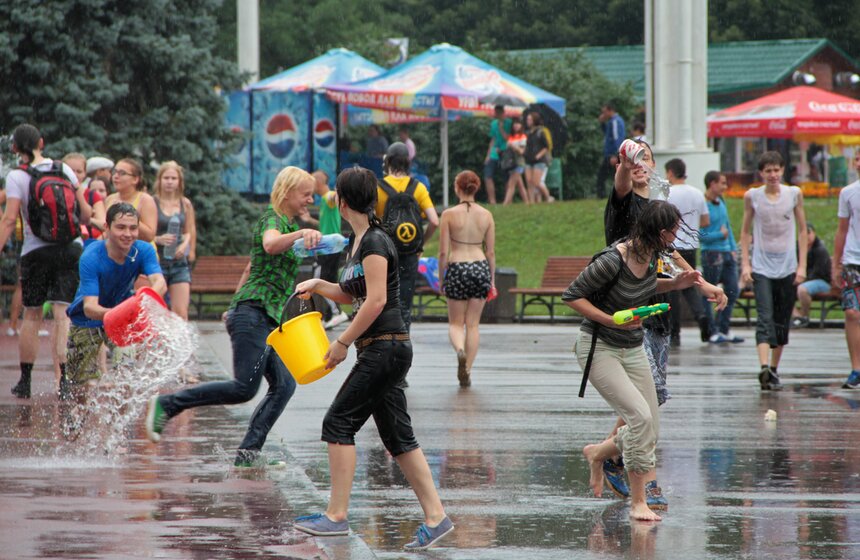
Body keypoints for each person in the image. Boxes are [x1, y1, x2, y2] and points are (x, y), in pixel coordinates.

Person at [292, 166, 453, 550]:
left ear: (342, 201)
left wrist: (342, 342)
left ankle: (335, 516)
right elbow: (354, 293)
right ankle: (437, 518)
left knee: (338, 422)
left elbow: (377, 299)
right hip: (383, 346)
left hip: (385, 345)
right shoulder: (359, 239)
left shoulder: (376, 242)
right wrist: (318, 285)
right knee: (398, 437)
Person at [145, 166, 321, 467]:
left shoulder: (284, 224)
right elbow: (269, 244)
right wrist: (300, 233)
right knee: (243, 388)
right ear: (288, 192)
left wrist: (231, 305)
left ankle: (247, 454)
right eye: (306, 194)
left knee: (284, 385)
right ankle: (168, 404)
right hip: (253, 314)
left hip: (261, 316)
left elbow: (252, 267)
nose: (310, 200)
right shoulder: (272, 219)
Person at [600, 139, 727, 509]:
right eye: (635, 159)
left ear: (655, 167)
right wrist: (627, 162)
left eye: (647, 159)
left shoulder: (658, 209)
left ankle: (608, 454)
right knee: (647, 398)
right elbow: (623, 179)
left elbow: (670, 253)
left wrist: (703, 285)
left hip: (657, 311)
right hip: (627, 313)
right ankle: (647, 482)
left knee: (651, 399)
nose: (641, 165)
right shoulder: (622, 202)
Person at [567, 201, 702, 521]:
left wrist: (676, 284)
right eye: (673, 232)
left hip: (632, 348)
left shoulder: (653, 255)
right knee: (640, 419)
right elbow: (572, 295)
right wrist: (610, 320)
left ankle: (598, 453)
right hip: (598, 347)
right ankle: (639, 502)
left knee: (650, 428)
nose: (676, 239)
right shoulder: (613, 259)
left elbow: (646, 284)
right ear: (658, 232)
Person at [0, 124, 92, 399]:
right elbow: (85, 214)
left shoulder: (17, 176)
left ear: (15, 148)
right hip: (70, 248)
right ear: (41, 142)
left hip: (36, 250)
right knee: (62, 314)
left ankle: (25, 381)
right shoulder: (63, 169)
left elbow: (9, 219)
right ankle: (63, 379)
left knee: (32, 314)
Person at [64, 203, 165, 396]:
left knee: (126, 374)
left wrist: (140, 301)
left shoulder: (143, 251)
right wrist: (125, 310)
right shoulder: (91, 257)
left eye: (133, 228)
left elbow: (160, 283)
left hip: (121, 320)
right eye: (121, 227)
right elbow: (90, 307)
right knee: (80, 388)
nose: (128, 233)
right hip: (85, 320)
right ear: (107, 227)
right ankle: (75, 425)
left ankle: (119, 424)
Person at [740, 151, 808, 391]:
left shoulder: (793, 194)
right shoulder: (753, 197)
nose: (772, 175)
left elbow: (802, 230)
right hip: (762, 266)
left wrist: (802, 266)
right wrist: (746, 265)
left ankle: (775, 369)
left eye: (776, 170)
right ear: (761, 173)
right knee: (764, 316)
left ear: (782, 171)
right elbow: (746, 232)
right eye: (768, 171)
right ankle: (763, 367)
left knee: (781, 320)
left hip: (788, 266)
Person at [439, 170, 495, 387]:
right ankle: (468, 370)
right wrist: (491, 279)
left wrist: (442, 278)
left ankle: (460, 350)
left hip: (457, 266)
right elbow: (490, 252)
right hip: (480, 267)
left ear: (457, 188)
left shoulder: (448, 215)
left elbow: (443, 252)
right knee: (473, 325)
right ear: (476, 187)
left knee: (455, 323)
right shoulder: (487, 215)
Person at [377, 142, 439, 332]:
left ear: (387, 161)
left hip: (384, 252)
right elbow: (434, 221)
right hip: (409, 254)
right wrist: (419, 245)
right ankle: (402, 345)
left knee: (382, 300)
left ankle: (384, 342)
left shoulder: (378, 187)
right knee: (404, 304)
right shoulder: (418, 188)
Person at [665, 158, 711, 345]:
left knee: (673, 288)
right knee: (691, 284)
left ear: (670, 172)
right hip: (691, 246)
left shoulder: (667, 193)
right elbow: (706, 221)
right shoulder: (697, 193)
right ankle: (701, 315)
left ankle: (675, 331)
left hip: (672, 247)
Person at [699, 171, 743, 344]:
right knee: (709, 293)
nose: (725, 187)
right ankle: (712, 330)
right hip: (711, 253)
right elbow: (700, 234)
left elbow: (728, 227)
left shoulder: (721, 201)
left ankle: (724, 328)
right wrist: (719, 235)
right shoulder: (703, 204)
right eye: (722, 183)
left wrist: (732, 248)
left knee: (732, 290)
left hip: (726, 253)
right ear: (712, 183)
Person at [152, 161, 197, 321]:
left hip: (179, 262)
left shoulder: (185, 204)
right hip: (157, 262)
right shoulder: (152, 202)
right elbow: (143, 232)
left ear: (179, 182)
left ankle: (180, 345)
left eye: (173, 178)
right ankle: (158, 345)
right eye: (166, 178)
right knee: (156, 313)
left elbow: (189, 230)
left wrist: (185, 246)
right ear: (160, 180)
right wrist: (157, 238)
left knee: (181, 313)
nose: (170, 182)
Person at [832, 150, 860, 388]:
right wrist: (836, 262)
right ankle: (856, 369)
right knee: (852, 313)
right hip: (853, 260)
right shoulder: (848, 192)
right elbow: (842, 229)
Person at [312, 170, 350, 329]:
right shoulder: (322, 200)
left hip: (329, 249)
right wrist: (309, 220)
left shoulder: (328, 197)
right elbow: (327, 226)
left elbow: (333, 196)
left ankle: (336, 313)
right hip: (327, 248)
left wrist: (338, 193)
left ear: (318, 182)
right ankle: (328, 316)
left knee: (321, 280)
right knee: (328, 280)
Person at [105, 158, 158, 242]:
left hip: (139, 251)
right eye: (114, 172)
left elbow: (150, 236)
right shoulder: (110, 199)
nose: (116, 176)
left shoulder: (145, 200)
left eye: (122, 173)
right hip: (114, 251)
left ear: (135, 179)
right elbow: (105, 229)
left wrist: (128, 215)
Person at [791, 223, 831, 328]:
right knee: (781, 289)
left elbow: (819, 272)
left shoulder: (820, 250)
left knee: (802, 289)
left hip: (822, 281)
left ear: (814, 233)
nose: (807, 236)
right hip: (801, 280)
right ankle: (797, 317)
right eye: (803, 233)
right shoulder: (795, 249)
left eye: (809, 233)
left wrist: (801, 280)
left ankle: (805, 316)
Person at [64, 153, 106, 247]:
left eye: (79, 171)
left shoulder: (92, 195)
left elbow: (103, 225)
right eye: (70, 171)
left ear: (85, 174)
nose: (74, 175)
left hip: (87, 244)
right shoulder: (56, 193)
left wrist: (86, 218)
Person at [596, 102, 625, 199]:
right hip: (610, 154)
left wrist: (615, 155)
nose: (603, 114)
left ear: (610, 110)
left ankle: (603, 195)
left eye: (604, 112)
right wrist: (602, 123)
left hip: (612, 154)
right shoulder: (611, 121)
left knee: (603, 176)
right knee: (615, 175)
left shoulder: (615, 121)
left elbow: (617, 138)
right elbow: (608, 134)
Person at [483, 105, 511, 205]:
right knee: (488, 175)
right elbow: (493, 139)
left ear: (502, 113)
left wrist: (502, 128)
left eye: (498, 113)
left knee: (506, 177)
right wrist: (488, 155)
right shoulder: (493, 123)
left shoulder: (509, 122)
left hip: (505, 151)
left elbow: (508, 138)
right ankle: (492, 200)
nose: (496, 115)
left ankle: (507, 200)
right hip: (494, 153)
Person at [524, 112, 554, 203]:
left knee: (536, 182)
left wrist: (539, 155)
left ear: (534, 120)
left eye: (529, 119)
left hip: (539, 160)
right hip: (529, 159)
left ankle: (548, 197)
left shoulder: (541, 132)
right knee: (529, 182)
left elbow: (547, 146)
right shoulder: (528, 132)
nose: (527, 121)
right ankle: (531, 202)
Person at [501, 117, 529, 205]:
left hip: (519, 163)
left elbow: (522, 151)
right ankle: (527, 202)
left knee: (511, 184)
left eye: (518, 124)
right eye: (515, 124)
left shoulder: (523, 137)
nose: (516, 126)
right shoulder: (511, 137)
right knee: (520, 185)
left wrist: (513, 146)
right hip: (512, 163)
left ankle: (505, 204)